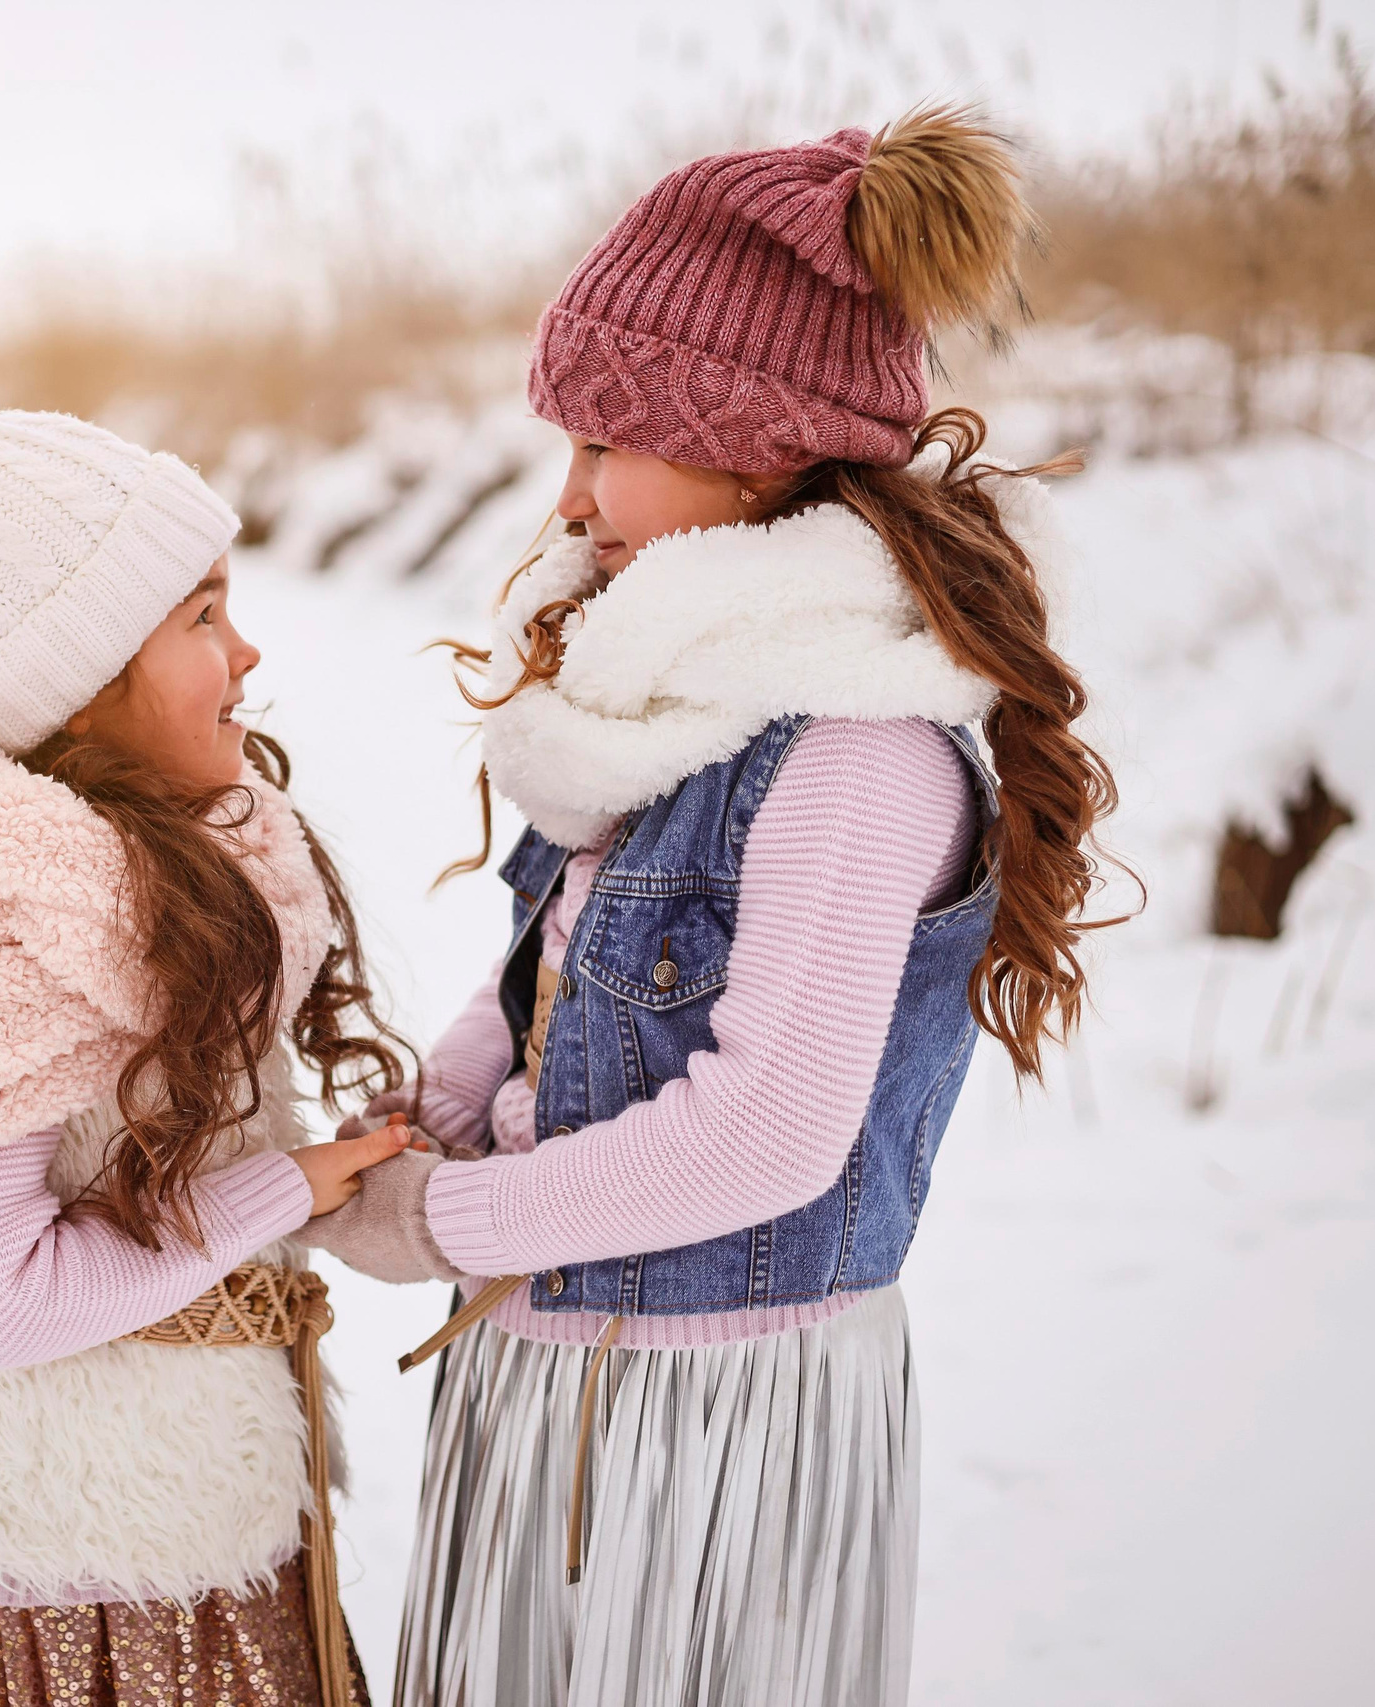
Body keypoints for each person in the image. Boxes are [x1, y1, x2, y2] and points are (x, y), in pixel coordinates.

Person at [297, 107, 1129, 1707]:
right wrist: (440, 1104)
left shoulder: (860, 749)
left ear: (754, 449)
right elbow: (561, 959)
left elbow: (764, 1137)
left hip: (708, 1413)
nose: (572, 495)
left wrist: (447, 1223)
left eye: (608, 445)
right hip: (566, 1364)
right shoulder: (681, 701)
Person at [0, 410, 413, 1707]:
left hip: (203, 1523)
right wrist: (289, 1188)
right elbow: (6, 1304)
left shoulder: (169, 864)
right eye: (203, 616)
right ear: (82, 679)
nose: (250, 648)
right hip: (68, 1583)